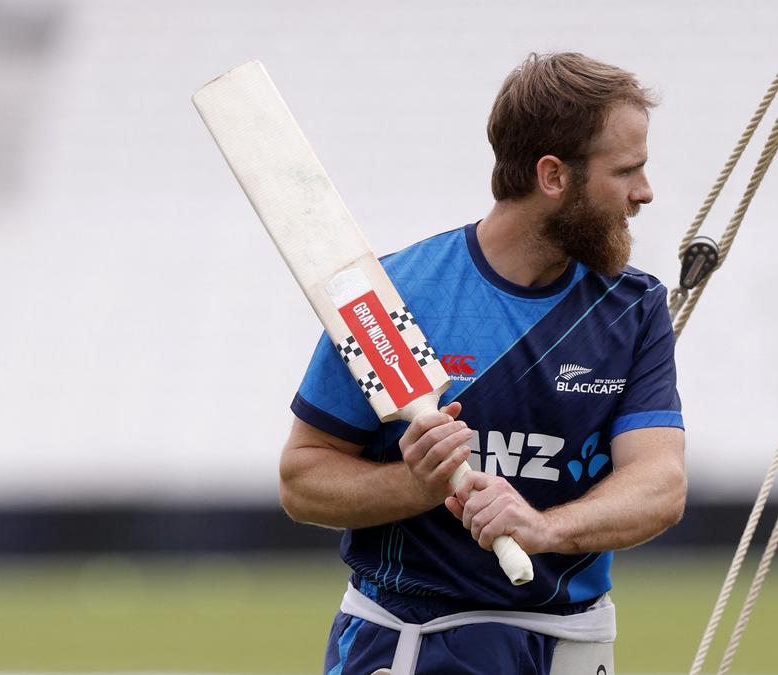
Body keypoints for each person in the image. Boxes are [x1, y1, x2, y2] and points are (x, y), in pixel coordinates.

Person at [279, 51, 687, 675]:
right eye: (626, 171)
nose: (644, 193)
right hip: (409, 647)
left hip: (574, 649)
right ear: (554, 176)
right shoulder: (393, 296)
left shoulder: (633, 306)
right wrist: (413, 485)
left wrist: (544, 528)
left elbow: (659, 486)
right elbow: (302, 479)